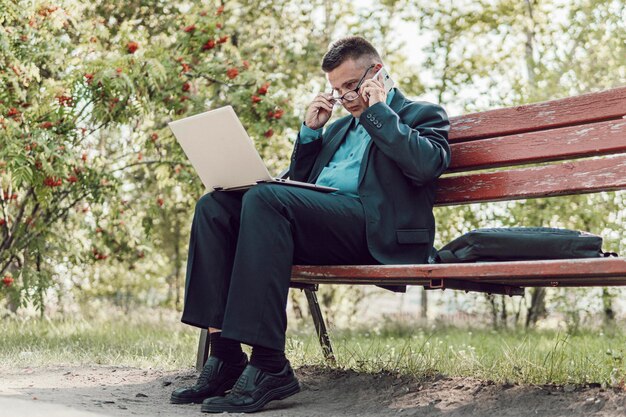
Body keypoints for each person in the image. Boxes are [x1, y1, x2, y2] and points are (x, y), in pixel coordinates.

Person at [170, 36, 451, 414]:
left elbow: (426, 166)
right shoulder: (335, 131)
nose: (345, 98)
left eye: (351, 86)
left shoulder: (421, 113)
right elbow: (296, 185)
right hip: (323, 226)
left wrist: (379, 112)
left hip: (373, 230)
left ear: (378, 73)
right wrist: (310, 133)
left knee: (265, 199)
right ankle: (225, 356)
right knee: (215, 207)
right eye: (336, 90)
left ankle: (269, 364)